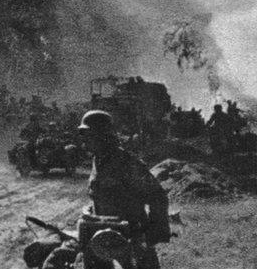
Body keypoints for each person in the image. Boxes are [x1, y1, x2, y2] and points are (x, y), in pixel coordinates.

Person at [42, 110, 170, 269]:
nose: (84, 140)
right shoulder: (98, 159)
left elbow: (158, 196)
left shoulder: (127, 163)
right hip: (101, 239)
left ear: (102, 136)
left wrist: (151, 234)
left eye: (88, 135)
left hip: (131, 239)